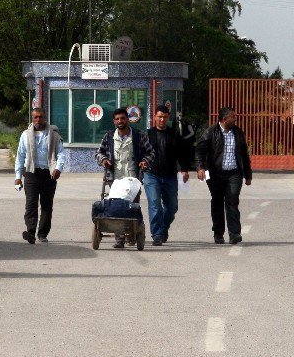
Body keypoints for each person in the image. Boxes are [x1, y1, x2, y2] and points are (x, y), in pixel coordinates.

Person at [96, 108, 155, 249]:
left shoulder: (138, 135)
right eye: (117, 119)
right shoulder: (109, 136)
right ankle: (119, 239)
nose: (120, 121)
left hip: (133, 180)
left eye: (122, 118)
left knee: (131, 207)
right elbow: (99, 153)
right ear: (114, 121)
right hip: (114, 179)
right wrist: (104, 159)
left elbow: (151, 152)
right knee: (116, 207)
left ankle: (132, 233)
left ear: (127, 119)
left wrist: (145, 161)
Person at [195, 106, 252, 245]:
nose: (235, 118)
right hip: (214, 173)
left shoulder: (238, 133)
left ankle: (234, 234)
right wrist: (200, 167)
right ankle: (218, 233)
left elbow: (244, 154)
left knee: (232, 201)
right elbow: (199, 151)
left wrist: (248, 174)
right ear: (225, 119)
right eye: (233, 116)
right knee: (217, 202)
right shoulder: (210, 132)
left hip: (234, 173)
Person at [14, 107, 66, 244]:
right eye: (35, 117)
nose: (38, 120)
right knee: (31, 203)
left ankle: (42, 234)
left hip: (49, 174)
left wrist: (58, 168)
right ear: (32, 118)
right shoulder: (25, 135)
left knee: (46, 205)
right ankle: (30, 232)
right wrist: (18, 177)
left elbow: (61, 153)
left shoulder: (53, 134)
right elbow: (20, 156)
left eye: (40, 117)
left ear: (44, 118)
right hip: (31, 173)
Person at [144, 104, 193, 246]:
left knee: (172, 207)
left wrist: (184, 169)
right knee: (155, 204)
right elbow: (141, 153)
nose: (162, 120)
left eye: (165, 117)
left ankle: (164, 228)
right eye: (159, 117)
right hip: (151, 175)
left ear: (168, 118)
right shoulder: (147, 134)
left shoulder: (174, 135)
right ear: (154, 117)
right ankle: (157, 234)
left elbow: (182, 154)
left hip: (170, 175)